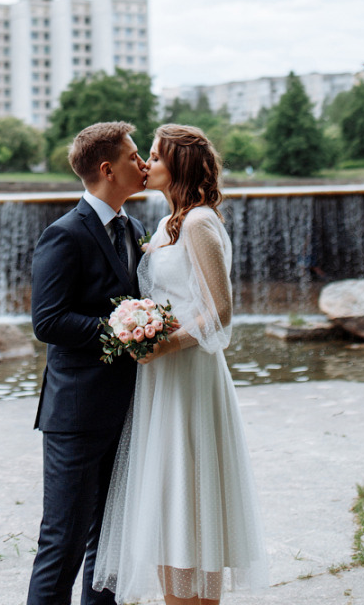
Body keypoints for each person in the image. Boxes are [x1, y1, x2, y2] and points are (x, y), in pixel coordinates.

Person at [93, 124, 269, 605]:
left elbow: (221, 311)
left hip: (189, 375)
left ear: (181, 165)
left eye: (155, 156)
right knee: (170, 503)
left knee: (190, 495)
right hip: (162, 380)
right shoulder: (171, 225)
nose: (147, 164)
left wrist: (166, 344)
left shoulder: (198, 223)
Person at [27, 121, 148, 605]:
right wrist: (123, 329)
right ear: (107, 168)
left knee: (110, 546)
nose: (142, 165)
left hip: (126, 410)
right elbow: (48, 321)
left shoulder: (135, 228)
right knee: (63, 544)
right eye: (134, 157)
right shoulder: (64, 234)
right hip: (76, 416)